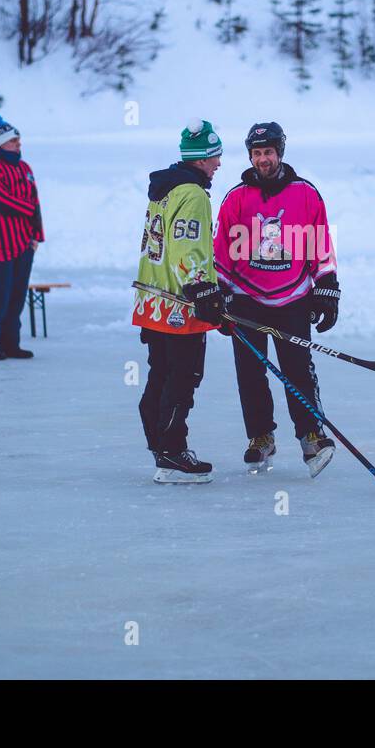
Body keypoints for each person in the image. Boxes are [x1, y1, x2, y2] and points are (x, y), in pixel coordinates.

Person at [213, 121, 339, 477]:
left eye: (268, 152)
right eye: (256, 153)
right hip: (247, 299)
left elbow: (321, 248)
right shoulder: (236, 198)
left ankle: (311, 435)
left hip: (293, 298)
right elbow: (221, 252)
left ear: (280, 152)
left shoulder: (306, 193)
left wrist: (326, 289)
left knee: (298, 370)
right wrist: (219, 294)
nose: (262, 159)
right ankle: (260, 437)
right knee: (250, 373)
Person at [133, 119, 227, 484]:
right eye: (215, 156)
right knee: (183, 376)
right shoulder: (193, 194)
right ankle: (172, 452)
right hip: (178, 306)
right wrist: (203, 290)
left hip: (152, 302)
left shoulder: (165, 189)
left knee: (161, 373)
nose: (219, 163)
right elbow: (186, 247)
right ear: (202, 159)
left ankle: (161, 446)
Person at [0, 114, 43, 361]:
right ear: (2, 143)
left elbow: (35, 203)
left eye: (19, 141)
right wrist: (25, 209)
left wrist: (36, 236)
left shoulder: (25, 168)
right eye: (14, 141)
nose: (18, 145)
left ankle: (10, 343)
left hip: (23, 242)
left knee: (17, 295)